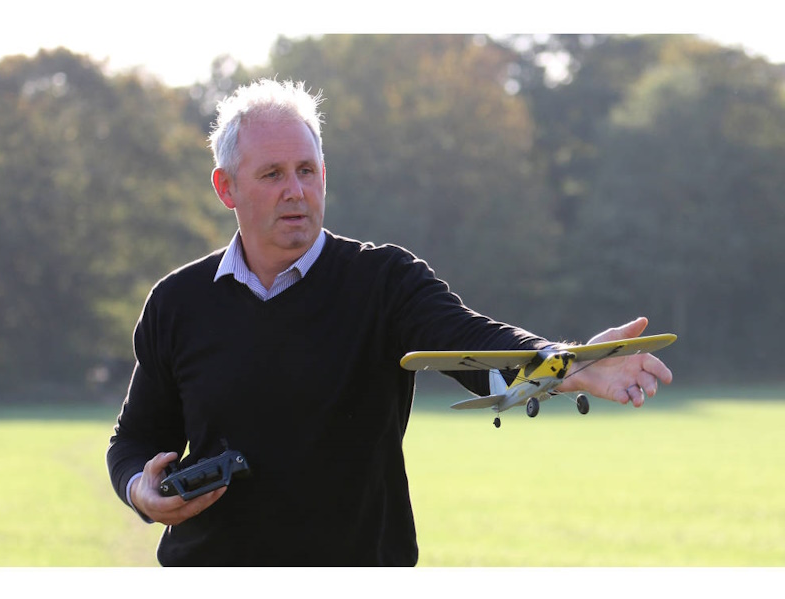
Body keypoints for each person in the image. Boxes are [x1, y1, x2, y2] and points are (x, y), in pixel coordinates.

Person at [106, 78, 673, 566]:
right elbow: (134, 440)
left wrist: (569, 364)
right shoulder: (177, 303)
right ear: (226, 187)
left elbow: (474, 343)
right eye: (272, 174)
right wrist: (141, 490)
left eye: (306, 170)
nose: (295, 191)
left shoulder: (384, 281)